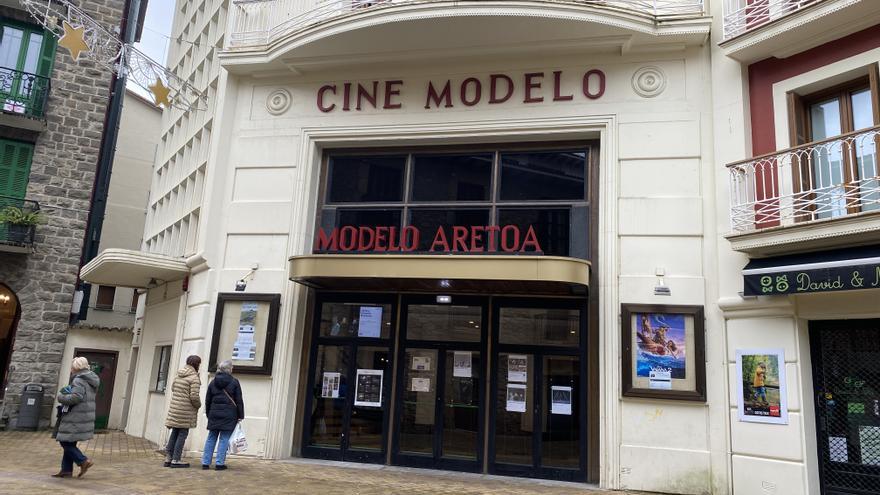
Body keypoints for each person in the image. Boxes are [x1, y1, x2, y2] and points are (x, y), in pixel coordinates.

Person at [53, 356, 100, 478]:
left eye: (72, 366)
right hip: (83, 415)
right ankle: (66, 470)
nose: (71, 369)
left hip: (75, 415)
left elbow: (76, 397)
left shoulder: (78, 380)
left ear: (76, 367)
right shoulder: (90, 379)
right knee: (70, 442)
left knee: (64, 441)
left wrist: (61, 397)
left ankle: (83, 461)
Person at [202, 359, 244, 470]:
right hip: (229, 415)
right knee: (224, 438)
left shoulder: (213, 382)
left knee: (211, 437)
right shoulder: (234, 382)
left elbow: (208, 400)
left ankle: (205, 463)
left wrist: (208, 413)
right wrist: (241, 415)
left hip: (214, 414)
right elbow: (239, 400)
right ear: (229, 369)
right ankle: (219, 463)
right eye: (232, 367)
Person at [164, 355, 202, 468]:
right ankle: (176, 459)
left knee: (175, 431)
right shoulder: (194, 377)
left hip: (175, 409)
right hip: (186, 410)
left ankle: (168, 458)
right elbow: (194, 396)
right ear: (196, 364)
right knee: (182, 434)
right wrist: (198, 405)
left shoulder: (179, 374)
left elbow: (173, 388)